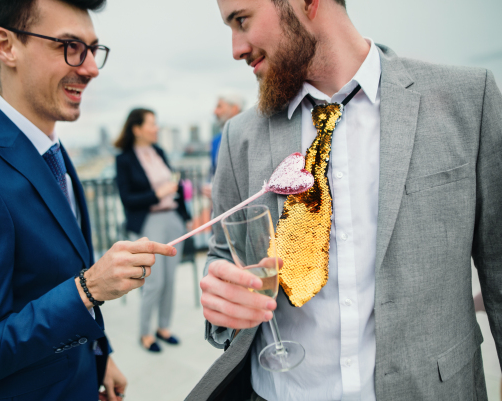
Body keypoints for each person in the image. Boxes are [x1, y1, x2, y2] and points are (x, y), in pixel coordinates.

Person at [187, 0, 502, 400]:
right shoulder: (239, 137)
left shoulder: (468, 100)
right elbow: (224, 256)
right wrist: (222, 296)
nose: (236, 47)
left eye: (242, 20)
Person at [0, 1, 177, 400]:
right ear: (6, 46)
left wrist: (100, 356)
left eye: (91, 49)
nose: (90, 68)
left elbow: (51, 277)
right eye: (68, 46)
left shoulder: (51, 151)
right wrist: (87, 289)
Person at [115, 108, 189, 353]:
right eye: (152, 124)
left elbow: (173, 186)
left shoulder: (159, 151)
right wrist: (158, 193)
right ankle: (145, 333)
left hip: (173, 219)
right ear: (137, 129)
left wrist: (184, 215)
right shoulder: (124, 159)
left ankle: (164, 328)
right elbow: (127, 199)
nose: (156, 128)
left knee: (169, 280)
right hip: (150, 222)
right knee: (154, 282)